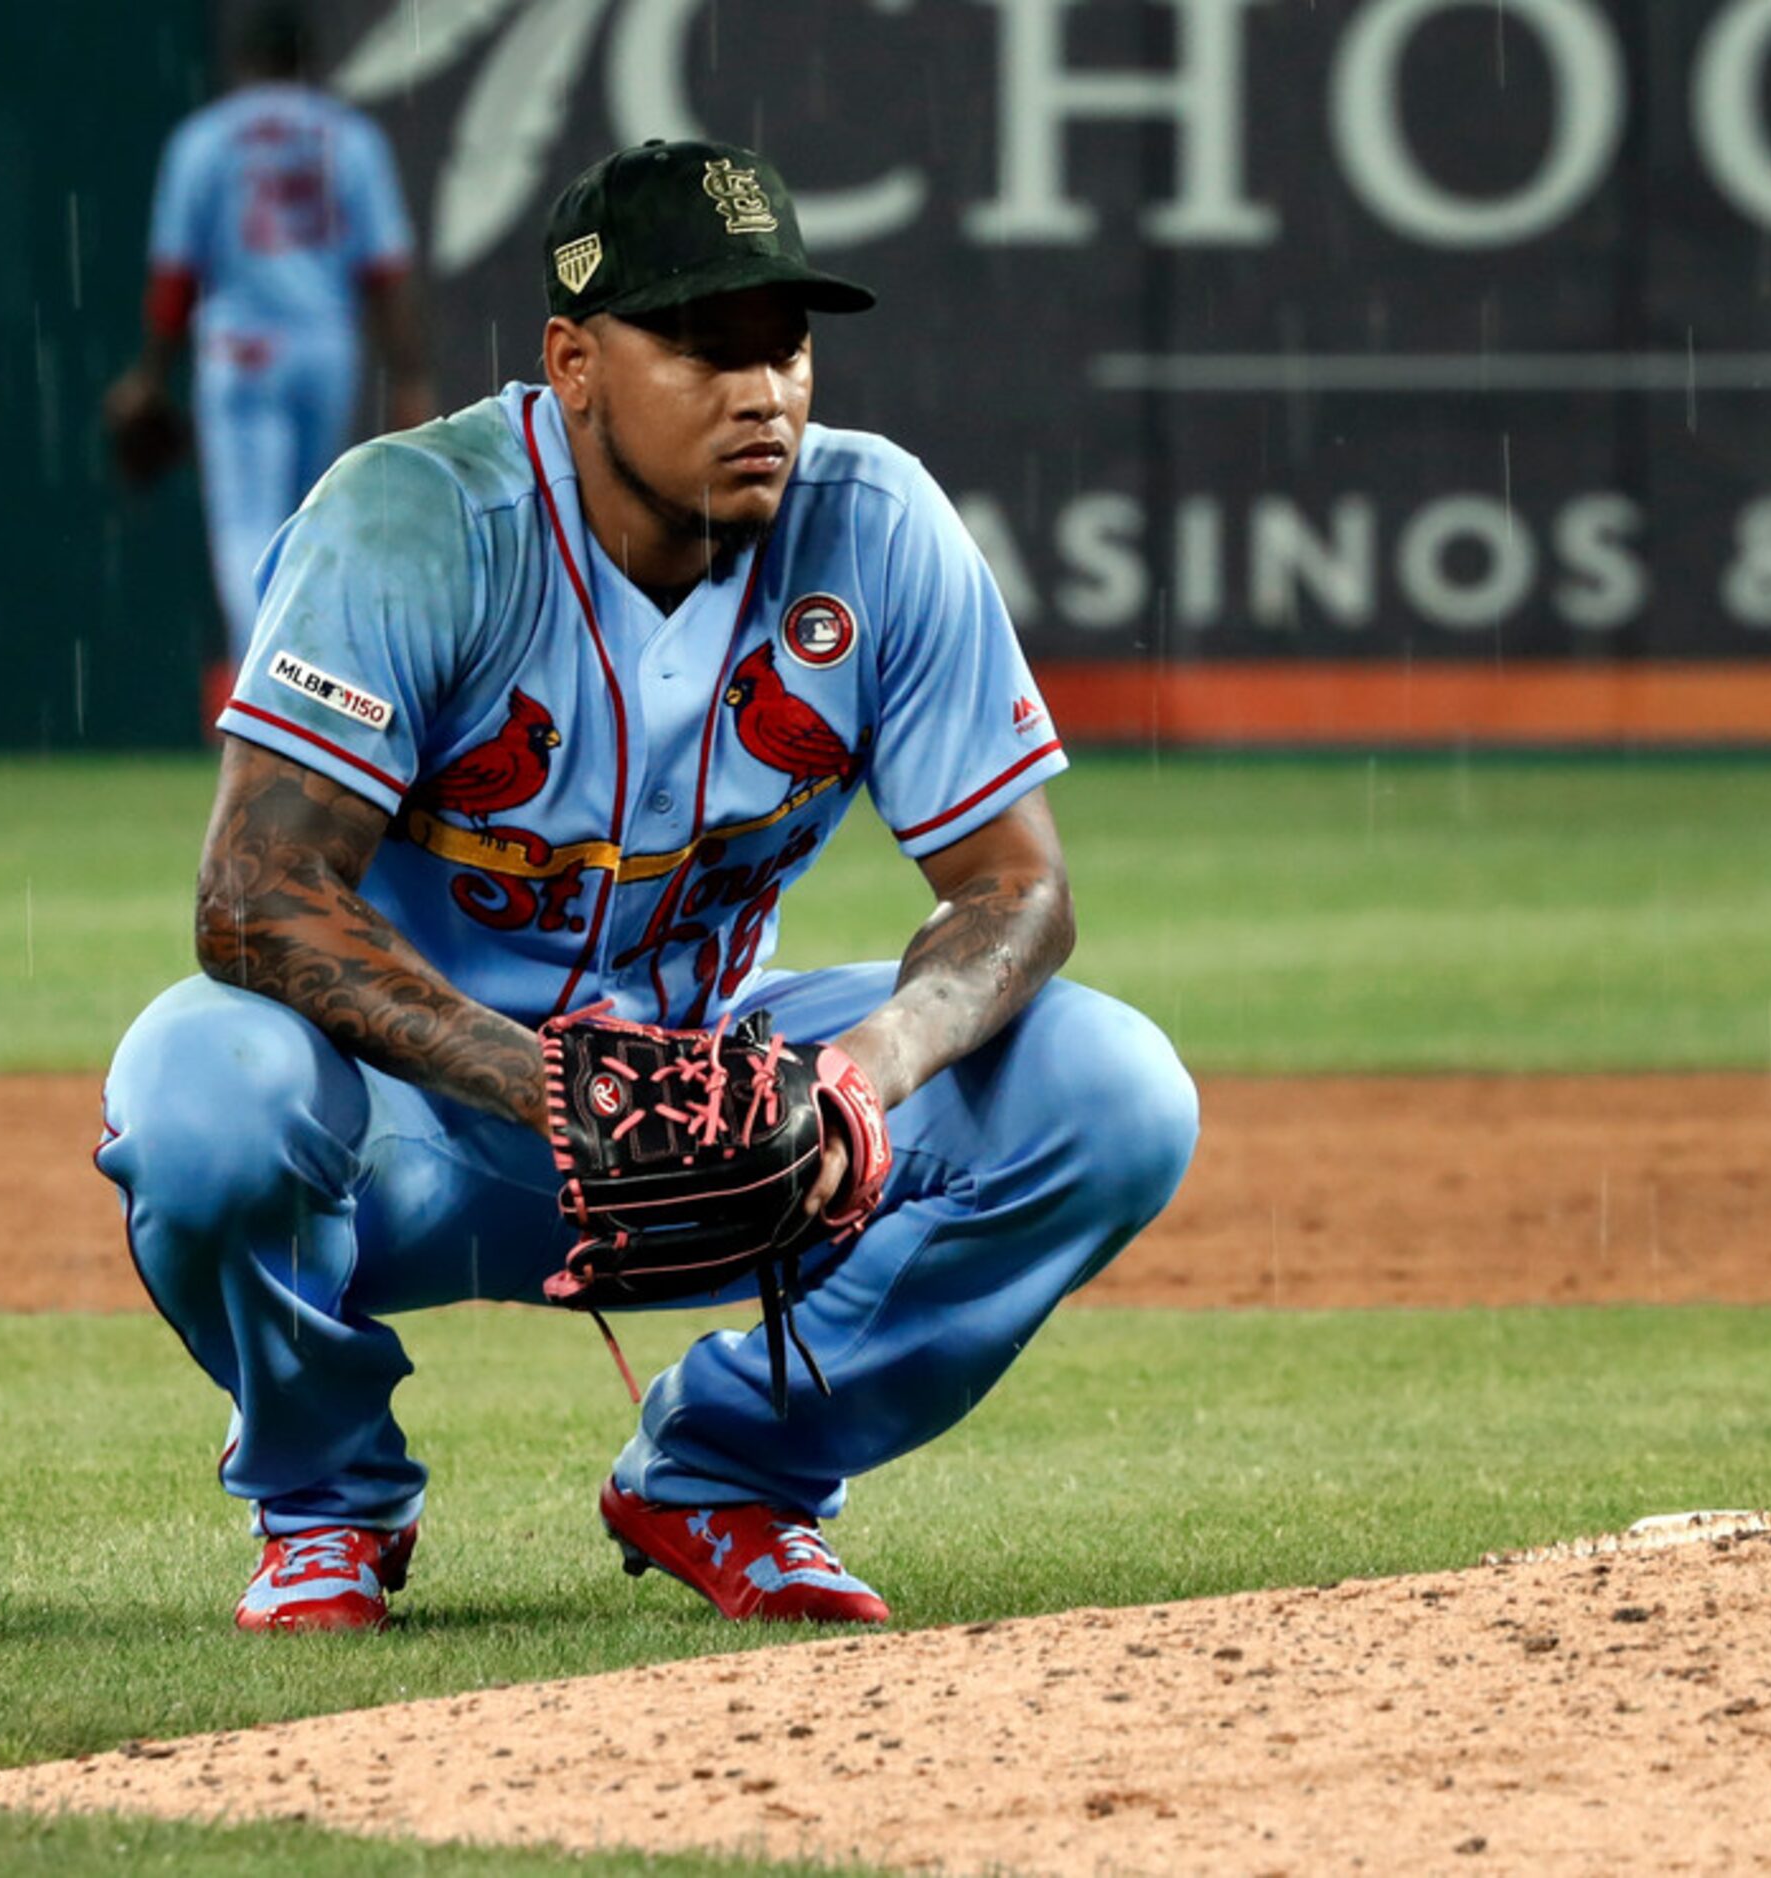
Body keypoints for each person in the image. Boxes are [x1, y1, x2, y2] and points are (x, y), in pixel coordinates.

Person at [96, 137, 1199, 1633]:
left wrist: (864, 1077)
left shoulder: (871, 524)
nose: (762, 391)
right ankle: (325, 1499)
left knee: (1116, 1091)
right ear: (573, 362)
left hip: (725, 1105)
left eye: (785, 346)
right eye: (700, 345)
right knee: (197, 1090)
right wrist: (553, 1089)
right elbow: (254, 893)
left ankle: (731, 1472)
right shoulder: (416, 521)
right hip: (413, 1126)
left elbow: (1017, 890)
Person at [104, 3, 434, 710]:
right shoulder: (349, 137)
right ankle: (309, 693)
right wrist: (409, 377)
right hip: (326, 345)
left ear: (244, 64)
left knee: (249, 532)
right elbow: (385, 272)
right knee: (315, 528)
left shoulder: (205, 138)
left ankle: (268, 703)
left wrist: (150, 375)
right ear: (306, 63)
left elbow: (175, 280)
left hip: (242, 350)